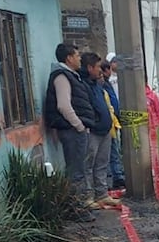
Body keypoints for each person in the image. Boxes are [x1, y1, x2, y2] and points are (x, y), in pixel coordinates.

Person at [43, 43, 97, 222]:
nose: (80, 58)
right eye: (77, 55)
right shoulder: (62, 77)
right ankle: (77, 209)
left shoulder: (72, 76)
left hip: (75, 130)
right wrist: (79, 125)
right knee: (76, 172)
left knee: (79, 169)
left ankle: (80, 206)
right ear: (68, 58)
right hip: (72, 131)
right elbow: (63, 105)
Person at [80, 52, 118, 210]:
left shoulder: (97, 83)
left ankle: (102, 194)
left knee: (102, 163)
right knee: (89, 164)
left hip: (105, 129)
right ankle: (88, 197)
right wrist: (93, 123)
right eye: (97, 67)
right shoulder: (82, 84)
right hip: (93, 130)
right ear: (89, 68)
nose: (100, 71)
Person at [100, 60, 126, 190]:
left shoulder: (107, 83)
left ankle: (118, 174)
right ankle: (117, 177)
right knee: (112, 151)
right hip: (107, 123)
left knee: (115, 149)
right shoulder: (102, 85)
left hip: (113, 120)